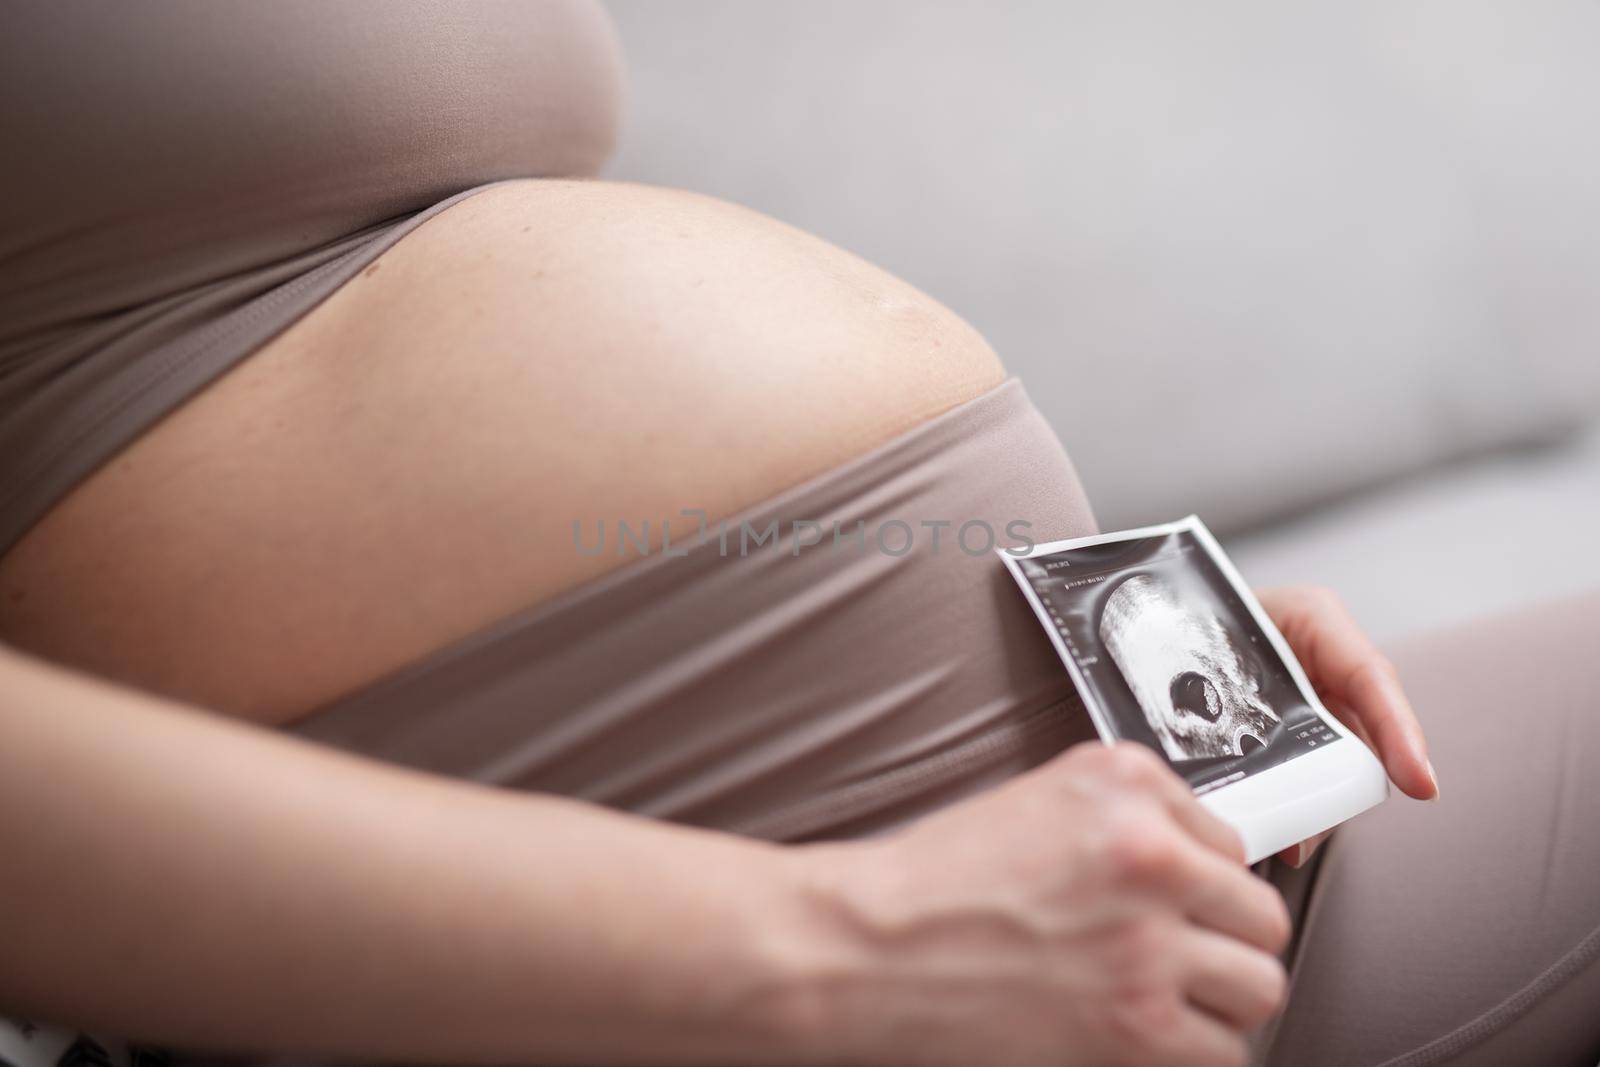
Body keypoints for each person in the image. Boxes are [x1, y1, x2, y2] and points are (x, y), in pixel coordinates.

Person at [0, 4, 1595, 1065]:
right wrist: (833, 956)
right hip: (830, 982)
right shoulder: (844, 961)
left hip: (1109, 862)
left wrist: (1154, 647)